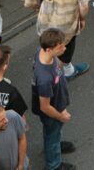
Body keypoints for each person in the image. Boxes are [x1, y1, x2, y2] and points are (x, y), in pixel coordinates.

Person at [33, 29, 76, 170]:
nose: (64, 48)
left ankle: (55, 144)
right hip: (53, 111)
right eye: (60, 47)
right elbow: (45, 107)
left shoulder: (41, 51)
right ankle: (54, 165)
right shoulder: (44, 78)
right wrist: (61, 116)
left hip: (57, 103)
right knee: (52, 132)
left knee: (53, 133)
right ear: (49, 49)